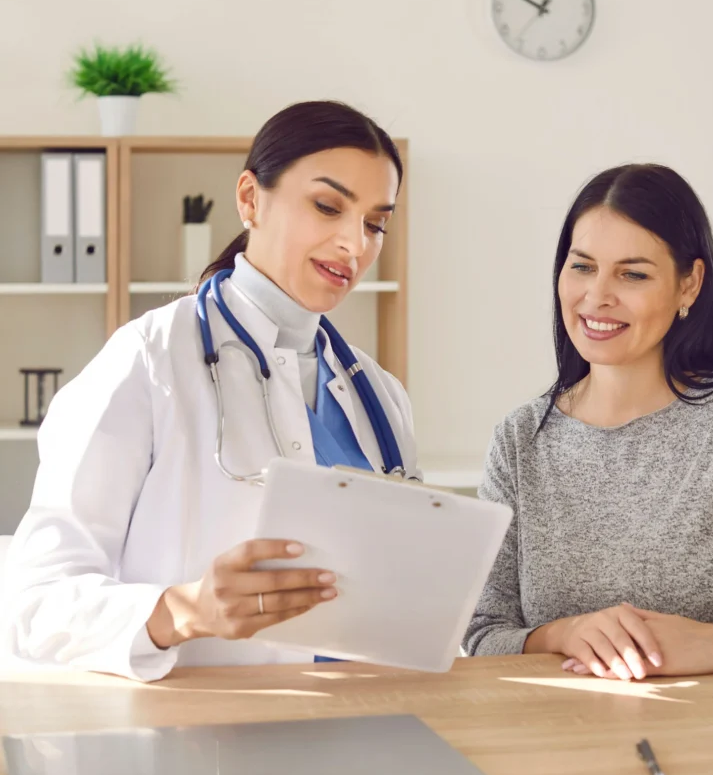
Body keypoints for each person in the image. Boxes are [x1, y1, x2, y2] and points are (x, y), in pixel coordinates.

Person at [2, 100, 420, 681]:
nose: (356, 243)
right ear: (250, 199)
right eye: (328, 207)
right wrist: (185, 611)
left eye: (376, 223)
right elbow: (33, 605)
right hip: (201, 741)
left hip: (373, 722)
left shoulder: (380, 396)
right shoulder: (148, 358)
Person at [463, 163, 713, 680]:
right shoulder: (521, 440)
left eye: (633, 274)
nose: (597, 296)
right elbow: (482, 635)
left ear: (689, 285)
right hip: (556, 743)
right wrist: (563, 633)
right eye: (582, 266)